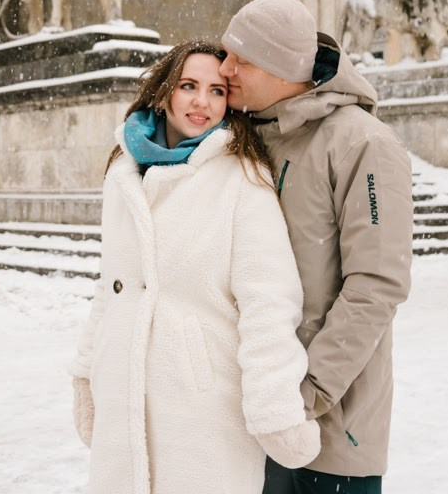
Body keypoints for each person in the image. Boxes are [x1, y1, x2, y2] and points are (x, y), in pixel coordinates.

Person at [70, 40, 321, 494]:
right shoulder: (123, 174)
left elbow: (269, 303)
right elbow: (112, 288)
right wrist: (87, 373)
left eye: (217, 91)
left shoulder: (242, 179)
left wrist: (273, 409)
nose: (202, 102)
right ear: (164, 93)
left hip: (202, 413)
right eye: (188, 86)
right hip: (123, 401)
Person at [219, 0, 413, 494]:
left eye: (241, 59)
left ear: (283, 68)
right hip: (247, 424)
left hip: (330, 434)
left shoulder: (362, 144)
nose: (226, 69)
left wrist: (304, 395)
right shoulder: (244, 136)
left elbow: (376, 286)